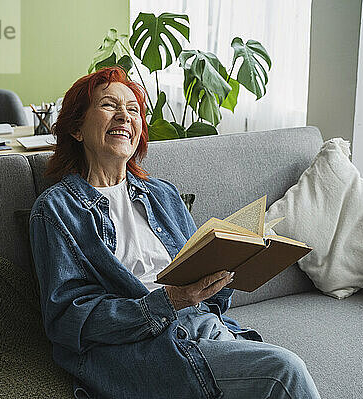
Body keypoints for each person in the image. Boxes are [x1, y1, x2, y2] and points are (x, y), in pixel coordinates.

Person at [29, 66, 321, 399]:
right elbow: (68, 320)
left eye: (133, 110)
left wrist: (229, 267)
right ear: (77, 129)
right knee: (285, 371)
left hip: (200, 327)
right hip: (140, 349)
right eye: (109, 105)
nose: (124, 116)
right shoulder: (57, 209)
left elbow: (206, 293)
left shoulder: (163, 194)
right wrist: (168, 301)